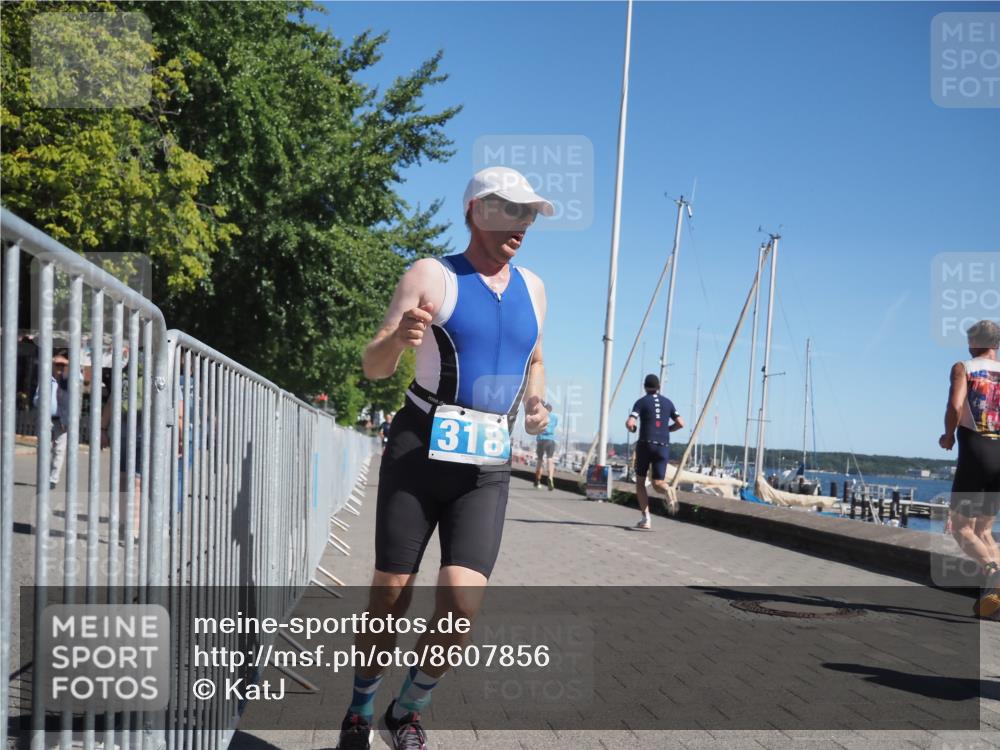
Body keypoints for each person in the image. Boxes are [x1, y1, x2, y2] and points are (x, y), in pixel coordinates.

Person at [336, 166, 553, 750]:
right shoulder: (432, 274)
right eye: (513, 211)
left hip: (486, 460)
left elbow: (533, 357)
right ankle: (360, 705)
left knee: (461, 602)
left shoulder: (534, 287)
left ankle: (407, 709)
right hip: (419, 446)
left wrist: (536, 402)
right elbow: (373, 365)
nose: (524, 224)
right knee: (390, 593)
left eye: (530, 214)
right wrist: (396, 340)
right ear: (478, 210)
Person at [939, 319, 1000, 619]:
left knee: (961, 528)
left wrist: (948, 435)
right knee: (985, 531)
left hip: (977, 451)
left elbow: (955, 406)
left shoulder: (963, 367)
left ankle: (993, 575)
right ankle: (995, 597)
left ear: (973, 342)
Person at [625, 374, 685, 530]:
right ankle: (668, 489)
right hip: (663, 445)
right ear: (659, 387)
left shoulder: (641, 402)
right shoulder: (668, 402)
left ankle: (646, 519)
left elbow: (630, 422)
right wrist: (668, 429)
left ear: (645, 386)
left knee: (640, 482)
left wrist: (633, 429)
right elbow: (681, 423)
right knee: (658, 482)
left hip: (645, 444)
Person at [33, 350, 74, 490]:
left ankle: (53, 479)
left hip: (62, 420)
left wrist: (67, 420)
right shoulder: (45, 380)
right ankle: (43, 475)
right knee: (43, 448)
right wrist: (42, 400)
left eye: (63, 365)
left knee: (59, 450)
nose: (60, 368)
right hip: (46, 419)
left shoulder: (69, 382)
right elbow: (35, 399)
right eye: (57, 365)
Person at [533, 402, 558, 490]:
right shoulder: (554, 417)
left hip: (541, 439)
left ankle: (537, 480)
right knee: (550, 459)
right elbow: (554, 426)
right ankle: (550, 477)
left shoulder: (540, 416)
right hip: (550, 440)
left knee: (540, 460)